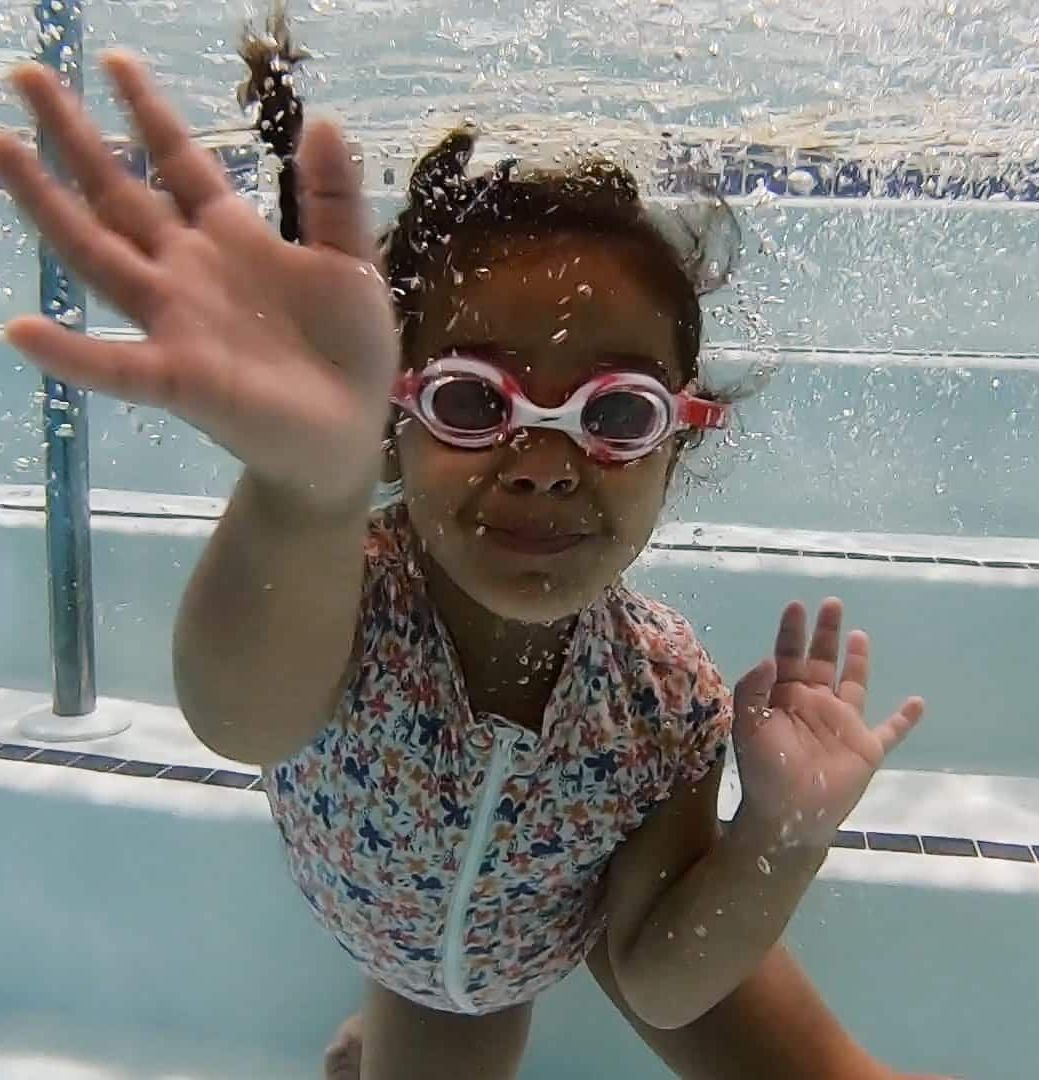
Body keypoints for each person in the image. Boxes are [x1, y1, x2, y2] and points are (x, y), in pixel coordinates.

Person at [0, 24, 952, 1080]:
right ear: (394, 418)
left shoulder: (666, 699)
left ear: (676, 443)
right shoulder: (350, 581)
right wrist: (302, 494)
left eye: (616, 412)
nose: (543, 461)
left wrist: (786, 831)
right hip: (424, 975)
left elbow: (658, 980)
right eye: (471, 401)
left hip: (525, 942)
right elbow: (241, 720)